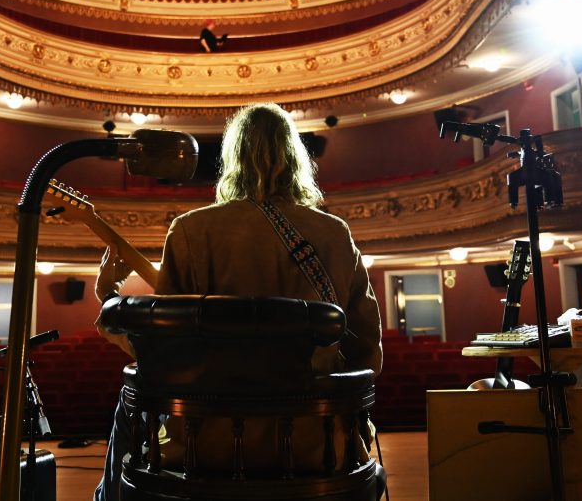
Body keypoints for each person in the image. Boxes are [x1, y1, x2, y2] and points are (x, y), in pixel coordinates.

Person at [93, 103, 384, 501]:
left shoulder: (191, 231)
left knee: (129, 403)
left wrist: (108, 298)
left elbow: (164, 359)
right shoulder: (334, 234)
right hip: (316, 445)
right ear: (295, 158)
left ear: (232, 159)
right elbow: (368, 355)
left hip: (207, 445)